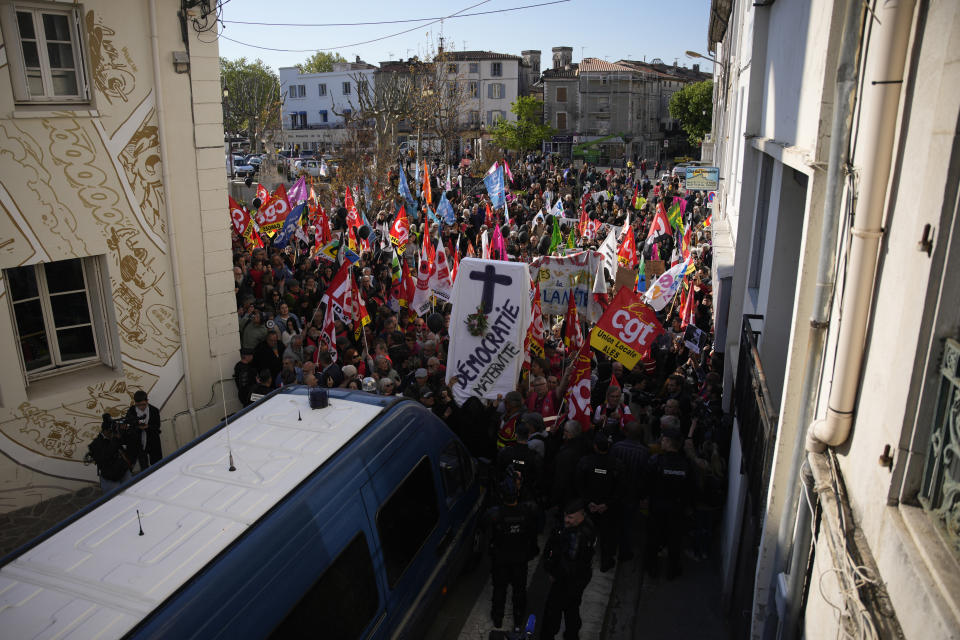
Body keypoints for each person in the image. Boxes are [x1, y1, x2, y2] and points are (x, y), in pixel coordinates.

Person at [483, 474, 540, 631]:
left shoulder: (496, 514)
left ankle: (497, 618)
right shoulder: (527, 511)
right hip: (520, 559)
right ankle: (518, 619)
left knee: (500, 589)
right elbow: (534, 530)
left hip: (501, 559)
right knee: (519, 590)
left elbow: (484, 524)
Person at [541, 499, 596, 640]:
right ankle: (571, 635)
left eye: (570, 517)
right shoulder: (587, 526)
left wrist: (553, 573)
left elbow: (568, 565)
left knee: (553, 611)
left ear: (581, 515)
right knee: (572, 609)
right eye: (566, 516)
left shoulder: (577, 537)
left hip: (567, 581)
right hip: (579, 579)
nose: (566, 520)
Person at [576, 433, 625, 572]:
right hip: (607, 509)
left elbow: (579, 484)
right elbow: (620, 489)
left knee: (586, 535)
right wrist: (606, 504)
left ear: (595, 447)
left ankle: (583, 559)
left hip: (591, 508)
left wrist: (589, 502)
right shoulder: (617, 464)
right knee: (607, 537)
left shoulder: (585, 462)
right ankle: (606, 561)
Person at [87, 413, 134, 491]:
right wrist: (115, 439)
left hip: (123, 471)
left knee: (131, 491)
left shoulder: (115, 437)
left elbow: (128, 444)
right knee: (116, 498)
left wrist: (125, 432)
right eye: (110, 432)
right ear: (105, 431)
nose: (112, 433)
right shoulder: (95, 444)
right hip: (110, 477)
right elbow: (106, 456)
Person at [124, 389, 162, 471]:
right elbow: (128, 425)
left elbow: (157, 426)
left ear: (147, 401)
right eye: (138, 405)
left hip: (152, 441)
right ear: (135, 403)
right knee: (144, 467)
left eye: (143, 405)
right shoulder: (131, 411)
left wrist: (147, 427)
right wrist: (137, 427)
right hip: (138, 442)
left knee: (157, 465)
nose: (141, 407)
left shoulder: (154, 410)